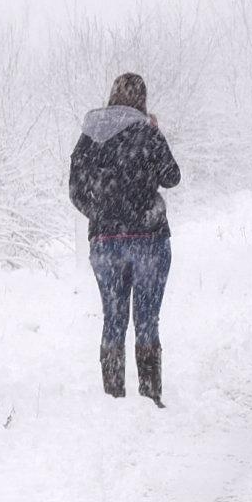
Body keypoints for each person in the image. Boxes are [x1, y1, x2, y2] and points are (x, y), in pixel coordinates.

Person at [68, 72, 181, 406]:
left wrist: (102, 216)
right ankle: (150, 398)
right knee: (146, 320)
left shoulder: (89, 136)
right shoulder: (147, 133)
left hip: (106, 243)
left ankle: (113, 399)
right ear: (141, 100)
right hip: (149, 239)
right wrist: (154, 134)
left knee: (113, 320)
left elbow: (75, 190)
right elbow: (172, 176)